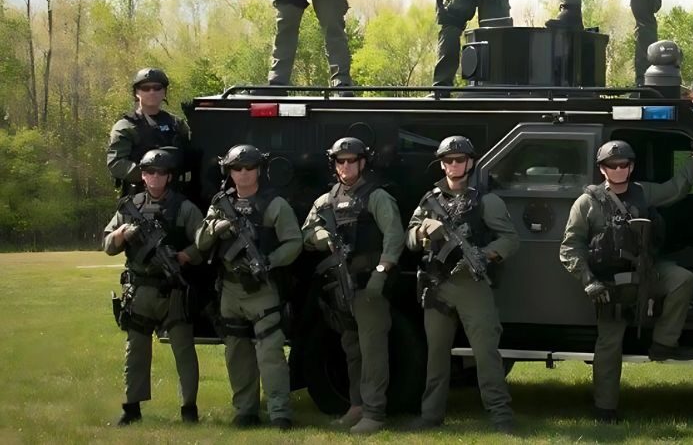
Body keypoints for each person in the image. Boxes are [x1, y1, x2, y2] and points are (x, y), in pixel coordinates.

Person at [559, 139, 693, 422]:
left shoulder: (643, 193)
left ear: (631, 167)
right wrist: (589, 281)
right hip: (609, 284)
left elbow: (677, 188)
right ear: (602, 169)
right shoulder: (587, 202)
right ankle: (605, 408)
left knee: (683, 279)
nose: (619, 169)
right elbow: (569, 247)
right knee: (609, 345)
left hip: (646, 272)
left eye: (624, 164)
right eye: (612, 165)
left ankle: (663, 343)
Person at [406, 136, 520, 433]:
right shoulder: (429, 200)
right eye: (448, 160)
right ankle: (431, 415)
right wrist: (423, 231)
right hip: (437, 284)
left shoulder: (486, 200)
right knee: (436, 355)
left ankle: (500, 416)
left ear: (470, 162)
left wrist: (482, 254)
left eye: (459, 160)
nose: (453, 165)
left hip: (471, 283)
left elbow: (509, 239)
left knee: (486, 353)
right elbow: (409, 239)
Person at [300, 137, 405, 434]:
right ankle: (357, 405)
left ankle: (374, 413)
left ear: (362, 163)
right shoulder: (326, 200)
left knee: (373, 351)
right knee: (352, 348)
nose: (345, 166)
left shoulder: (376, 196)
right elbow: (305, 233)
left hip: (368, 285)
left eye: (351, 160)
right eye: (339, 161)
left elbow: (394, 237)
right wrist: (317, 236)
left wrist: (380, 275)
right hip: (339, 288)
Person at [196, 144, 302, 429]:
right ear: (228, 171)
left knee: (270, 353)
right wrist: (214, 228)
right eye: (236, 168)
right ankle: (245, 410)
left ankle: (280, 412)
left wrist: (269, 261)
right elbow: (200, 243)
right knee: (237, 354)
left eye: (249, 168)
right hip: (230, 289)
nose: (243, 174)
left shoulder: (274, 204)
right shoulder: (220, 204)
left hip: (262, 288)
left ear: (259, 170)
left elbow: (294, 242)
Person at [103, 149, 204, 426]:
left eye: (160, 173)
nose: (155, 177)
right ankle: (132, 408)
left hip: (173, 289)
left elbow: (204, 241)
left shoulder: (184, 207)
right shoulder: (129, 206)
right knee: (136, 350)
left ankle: (189, 409)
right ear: (143, 175)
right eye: (149, 172)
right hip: (140, 290)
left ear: (169, 176)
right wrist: (123, 233)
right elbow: (107, 245)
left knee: (183, 350)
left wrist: (185, 256)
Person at [107, 68, 190, 196]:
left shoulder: (177, 124)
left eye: (157, 88)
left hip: (176, 197)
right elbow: (116, 164)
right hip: (138, 199)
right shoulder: (125, 127)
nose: (152, 92)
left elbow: (192, 157)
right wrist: (152, 176)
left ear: (164, 92)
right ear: (136, 93)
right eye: (145, 88)